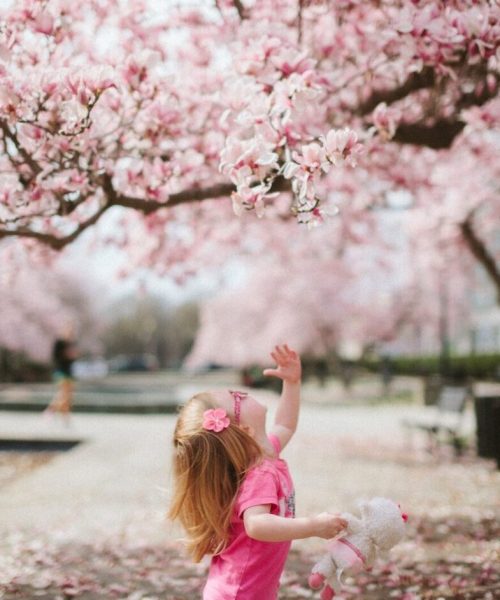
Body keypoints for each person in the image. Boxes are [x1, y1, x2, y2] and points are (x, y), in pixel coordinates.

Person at [169, 344, 347, 600]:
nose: (242, 391)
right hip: (240, 593)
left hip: (242, 590)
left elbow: (285, 423)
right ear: (245, 431)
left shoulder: (265, 454)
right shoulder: (259, 474)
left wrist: (292, 383)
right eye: (237, 397)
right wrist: (313, 526)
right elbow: (257, 524)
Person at [45, 332, 78, 420]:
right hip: (60, 371)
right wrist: (66, 355)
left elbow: (73, 358)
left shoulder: (72, 344)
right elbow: (55, 356)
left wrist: (73, 356)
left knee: (68, 396)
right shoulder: (59, 343)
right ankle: (51, 411)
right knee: (63, 394)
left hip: (69, 373)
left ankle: (64, 415)